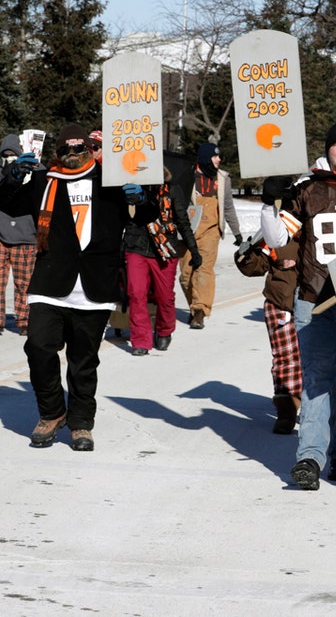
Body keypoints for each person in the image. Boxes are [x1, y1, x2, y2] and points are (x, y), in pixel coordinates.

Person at [0, 123, 153, 451]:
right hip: (51, 281)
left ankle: (81, 422)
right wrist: (12, 177)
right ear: (57, 152)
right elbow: (8, 204)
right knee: (39, 346)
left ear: (90, 149)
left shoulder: (111, 180)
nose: (72, 155)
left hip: (95, 286)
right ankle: (52, 412)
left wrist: (140, 197)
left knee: (83, 360)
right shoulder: (44, 181)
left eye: (79, 149)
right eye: (66, 150)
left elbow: (146, 214)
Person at [260, 120, 336, 489]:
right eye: (335, 144)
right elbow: (278, 237)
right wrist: (268, 202)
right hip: (314, 298)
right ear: (326, 148)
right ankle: (310, 456)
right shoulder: (308, 188)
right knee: (315, 381)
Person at [236, 175, 303, 435]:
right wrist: (246, 254)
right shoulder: (280, 223)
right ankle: (287, 410)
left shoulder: (322, 224)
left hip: (317, 302)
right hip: (280, 301)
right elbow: (256, 265)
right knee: (286, 359)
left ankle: (317, 411)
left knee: (317, 360)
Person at [122, 166, 202, 355]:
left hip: (165, 248)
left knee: (164, 296)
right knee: (136, 293)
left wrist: (194, 250)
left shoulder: (172, 189)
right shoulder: (130, 188)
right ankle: (141, 339)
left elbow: (182, 221)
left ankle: (164, 329)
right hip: (137, 246)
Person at [177, 143, 243, 329]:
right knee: (186, 274)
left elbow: (228, 207)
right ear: (205, 158)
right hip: (187, 230)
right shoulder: (188, 175)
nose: (219, 160)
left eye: (219, 156)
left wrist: (236, 232)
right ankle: (194, 305)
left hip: (211, 230)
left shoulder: (222, 179)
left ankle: (200, 310)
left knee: (204, 269)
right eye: (215, 156)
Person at [0, 134, 39, 336]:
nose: (9, 159)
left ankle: (24, 320)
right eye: (5, 155)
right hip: (1, 235)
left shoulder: (37, 171)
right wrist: (12, 172)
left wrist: (35, 168)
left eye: (12, 155)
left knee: (24, 282)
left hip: (26, 235)